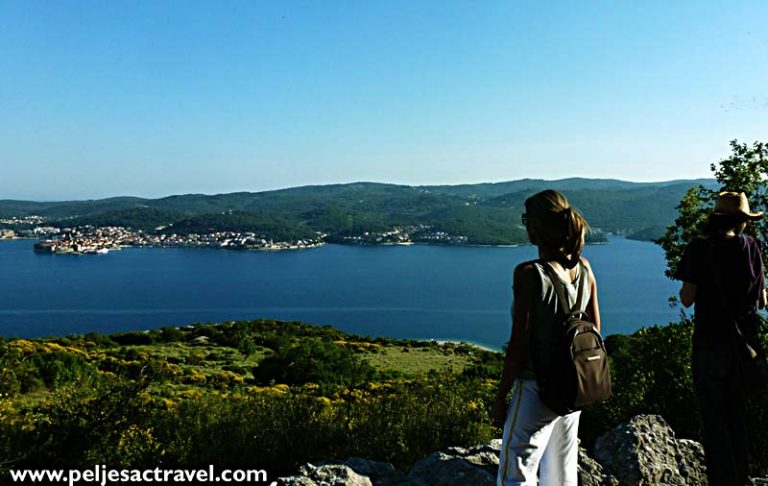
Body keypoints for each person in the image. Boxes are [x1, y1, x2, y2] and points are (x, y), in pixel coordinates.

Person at [491, 190, 600, 486]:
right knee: (562, 472)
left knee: (515, 471)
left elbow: (518, 344)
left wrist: (501, 397)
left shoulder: (529, 274)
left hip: (535, 386)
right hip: (571, 385)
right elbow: (594, 330)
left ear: (535, 227)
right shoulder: (585, 269)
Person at [676, 191, 767, 486]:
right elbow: (761, 300)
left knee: (714, 421)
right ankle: (740, 477)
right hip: (744, 347)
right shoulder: (753, 247)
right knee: (736, 416)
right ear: (741, 221)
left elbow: (687, 299)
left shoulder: (699, 249)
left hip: (709, 345)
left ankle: (721, 481)